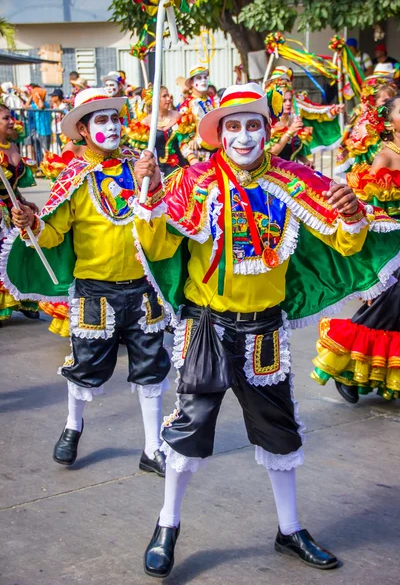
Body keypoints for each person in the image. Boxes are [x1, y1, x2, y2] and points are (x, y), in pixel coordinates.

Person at [131, 83, 399, 577]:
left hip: (264, 331)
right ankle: (167, 524)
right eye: (233, 125)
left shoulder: (296, 179)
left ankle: (290, 529)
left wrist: (353, 214)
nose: (243, 135)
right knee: (188, 429)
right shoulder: (192, 181)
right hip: (206, 328)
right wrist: (148, 195)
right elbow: (159, 245)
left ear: (266, 131)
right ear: (219, 134)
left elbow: (343, 242)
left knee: (279, 431)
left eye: (253, 124)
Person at [3, 88, 171, 476]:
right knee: (85, 366)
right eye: (101, 120)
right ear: (81, 129)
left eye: (114, 118)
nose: (111, 126)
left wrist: (155, 181)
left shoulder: (141, 165)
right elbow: (53, 234)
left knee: (151, 367)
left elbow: (163, 217)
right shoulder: (74, 176)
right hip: (95, 293)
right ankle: (73, 425)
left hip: (144, 289)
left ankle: (151, 448)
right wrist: (32, 225)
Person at [312, 95, 400, 403]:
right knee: (390, 304)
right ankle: (343, 364)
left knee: (390, 309)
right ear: (390, 122)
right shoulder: (385, 158)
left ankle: (360, 371)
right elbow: (372, 214)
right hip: (391, 246)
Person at [0, 103, 39, 321]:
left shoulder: (12, 146)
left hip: (13, 208)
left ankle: (23, 300)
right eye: (5, 118)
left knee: (21, 252)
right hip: (1, 213)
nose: (11, 121)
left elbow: (12, 186)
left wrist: (24, 201)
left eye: (11, 117)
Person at [265, 67, 343, 159]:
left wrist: (305, 161)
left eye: (290, 100)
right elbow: (271, 152)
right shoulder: (270, 123)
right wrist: (289, 133)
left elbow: (314, 109)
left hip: (290, 169)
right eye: (284, 101)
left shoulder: (293, 119)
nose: (288, 103)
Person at [128, 86, 195, 176]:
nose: (168, 99)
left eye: (168, 95)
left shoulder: (177, 116)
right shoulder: (145, 122)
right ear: (155, 99)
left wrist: (194, 162)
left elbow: (184, 144)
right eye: (164, 96)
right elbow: (140, 151)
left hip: (179, 168)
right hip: (156, 171)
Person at [177, 65, 217, 163]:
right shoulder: (187, 106)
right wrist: (192, 158)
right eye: (199, 78)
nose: (203, 81)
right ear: (191, 82)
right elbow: (182, 139)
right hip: (198, 155)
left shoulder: (212, 102)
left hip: (216, 152)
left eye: (205, 77)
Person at [24, 85, 52, 165]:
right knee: (37, 149)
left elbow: (41, 106)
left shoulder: (46, 104)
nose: (33, 98)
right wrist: (31, 95)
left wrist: (38, 97)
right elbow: (26, 106)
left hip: (45, 132)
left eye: (34, 97)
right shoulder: (35, 105)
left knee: (46, 152)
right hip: (38, 131)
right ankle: (40, 166)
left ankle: (49, 168)